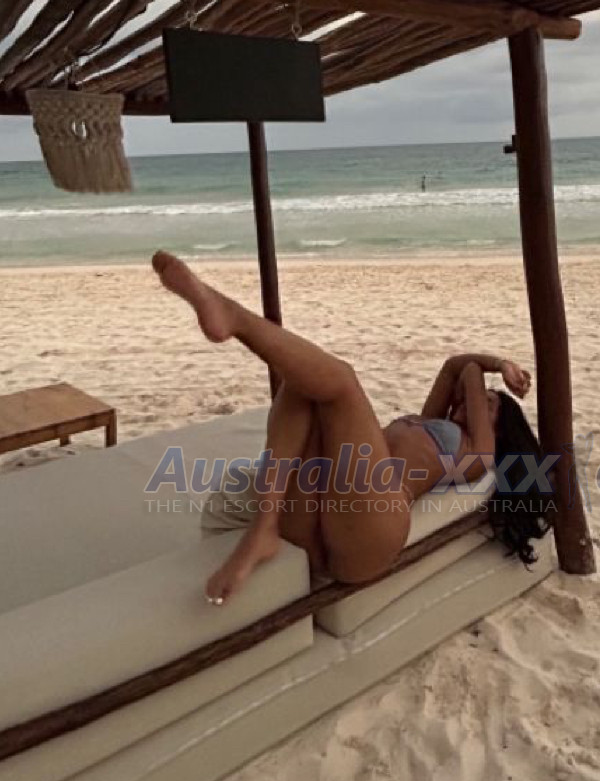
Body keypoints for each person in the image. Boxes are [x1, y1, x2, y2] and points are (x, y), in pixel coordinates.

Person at [152, 252, 553, 604]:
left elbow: (467, 370)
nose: (475, 401)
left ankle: (235, 317)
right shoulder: (429, 421)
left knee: (342, 380)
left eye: (489, 404)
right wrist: (496, 367)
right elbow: (453, 366)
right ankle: (264, 529)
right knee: (303, 382)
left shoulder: (476, 453)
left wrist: (496, 368)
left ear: (500, 429)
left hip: (372, 526)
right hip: (317, 510)